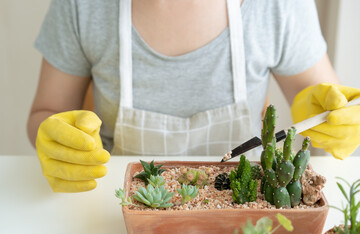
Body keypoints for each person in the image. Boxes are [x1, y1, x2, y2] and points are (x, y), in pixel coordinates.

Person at [27, 0, 360, 193]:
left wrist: (332, 122)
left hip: (246, 207)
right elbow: (47, 110)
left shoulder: (276, 6)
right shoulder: (82, 7)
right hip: (118, 209)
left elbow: (329, 111)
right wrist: (53, 137)